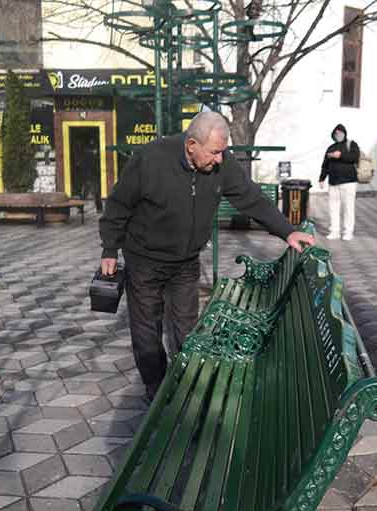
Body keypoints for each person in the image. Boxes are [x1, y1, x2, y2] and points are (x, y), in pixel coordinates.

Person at [99, 111, 315, 401]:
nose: (220, 159)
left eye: (223, 151)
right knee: (147, 330)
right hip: (145, 260)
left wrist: (287, 231)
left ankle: (185, 387)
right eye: (214, 152)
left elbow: (251, 198)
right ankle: (156, 389)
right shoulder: (150, 159)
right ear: (191, 145)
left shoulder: (220, 166)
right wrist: (110, 249)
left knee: (187, 329)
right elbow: (118, 205)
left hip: (185, 262)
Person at [318, 124, 360, 240]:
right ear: (333, 135)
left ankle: (348, 232)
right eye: (336, 133)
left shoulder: (351, 144)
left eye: (340, 133)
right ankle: (334, 231)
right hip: (333, 183)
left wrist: (341, 155)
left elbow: (355, 157)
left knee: (348, 208)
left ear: (345, 133)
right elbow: (325, 165)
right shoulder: (331, 147)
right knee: (333, 208)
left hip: (349, 182)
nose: (338, 135)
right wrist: (322, 178)